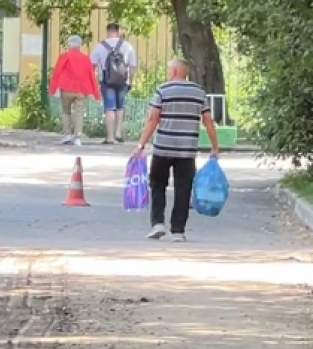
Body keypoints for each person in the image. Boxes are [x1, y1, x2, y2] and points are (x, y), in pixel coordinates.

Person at [133, 59, 219, 242]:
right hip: (187, 151)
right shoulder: (199, 93)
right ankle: (178, 231)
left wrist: (141, 145)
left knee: (157, 185)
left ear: (173, 71)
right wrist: (214, 147)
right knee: (183, 189)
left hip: (163, 147)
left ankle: (157, 223)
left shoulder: (162, 90)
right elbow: (208, 121)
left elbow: (153, 118)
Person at [90, 22, 138, 144]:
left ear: (107, 31)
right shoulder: (127, 46)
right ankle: (118, 132)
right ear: (118, 32)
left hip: (107, 81)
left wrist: (94, 81)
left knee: (109, 107)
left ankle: (110, 137)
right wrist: (130, 81)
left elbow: (92, 66)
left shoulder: (100, 46)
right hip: (123, 80)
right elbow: (133, 66)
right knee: (120, 106)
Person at [48, 33, 100, 146]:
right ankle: (78, 137)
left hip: (66, 88)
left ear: (68, 45)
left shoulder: (64, 57)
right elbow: (91, 75)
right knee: (79, 113)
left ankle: (67, 135)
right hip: (82, 90)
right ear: (80, 45)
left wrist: (53, 88)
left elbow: (57, 73)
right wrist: (96, 93)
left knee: (66, 112)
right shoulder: (85, 59)